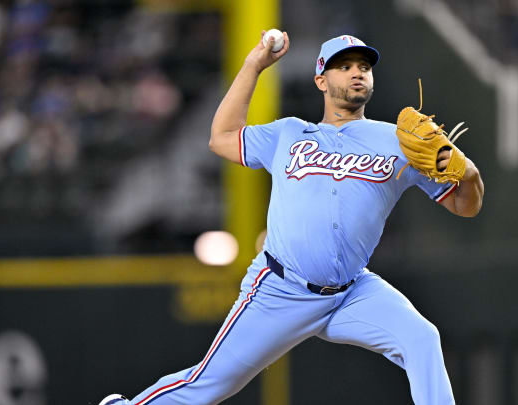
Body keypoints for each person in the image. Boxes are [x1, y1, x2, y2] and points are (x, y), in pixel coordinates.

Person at [99, 31, 484, 405]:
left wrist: (468, 172)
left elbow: (465, 206)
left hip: (352, 291)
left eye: (363, 66)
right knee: (210, 384)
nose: (356, 72)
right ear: (321, 79)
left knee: (421, 338)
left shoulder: (400, 142)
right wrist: (254, 65)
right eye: (344, 65)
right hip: (282, 288)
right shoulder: (289, 134)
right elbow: (220, 137)